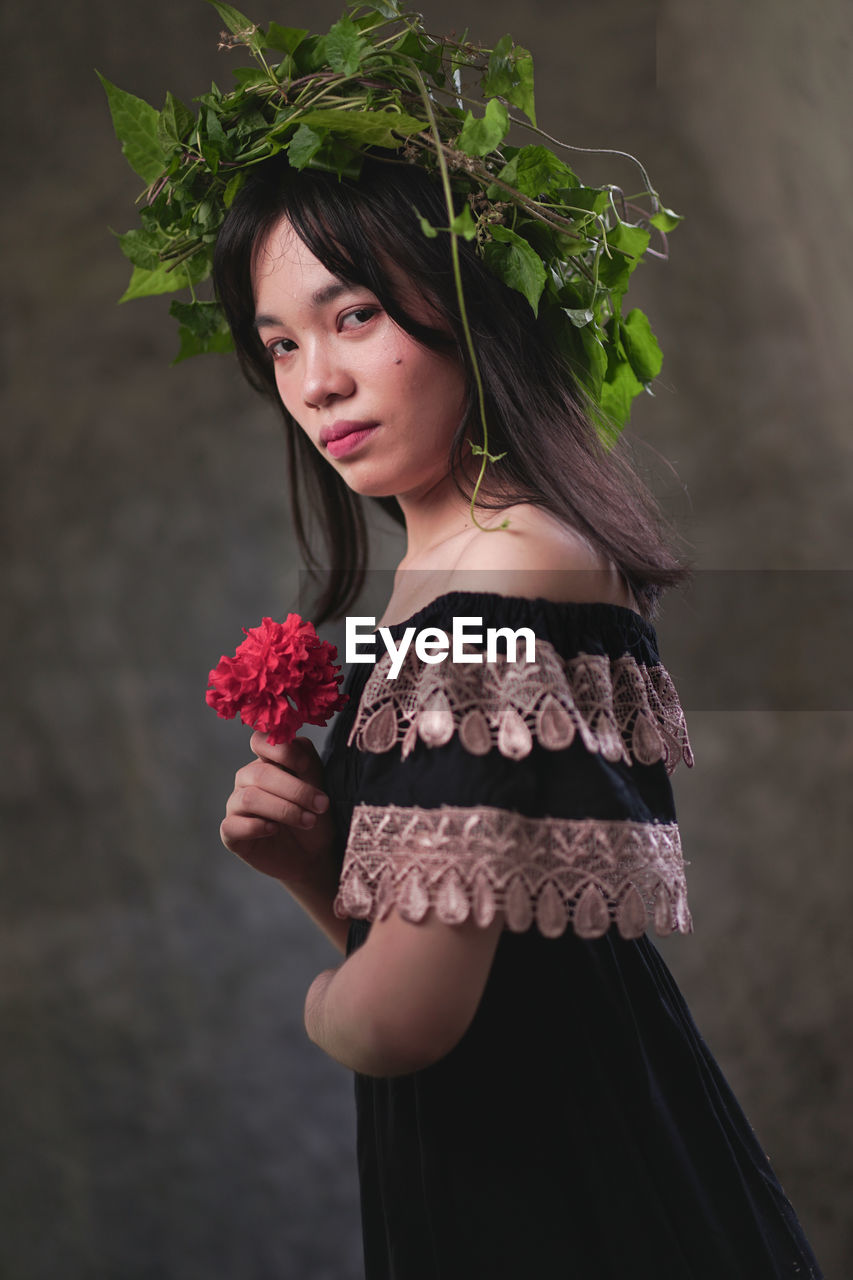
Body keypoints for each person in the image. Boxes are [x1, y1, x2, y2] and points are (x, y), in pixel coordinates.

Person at [212, 157, 823, 1278]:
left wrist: (319, 1004)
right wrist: (316, 864)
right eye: (283, 343)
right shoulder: (458, 569)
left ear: (471, 300)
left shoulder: (496, 583)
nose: (318, 382)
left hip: (558, 1181)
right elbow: (476, 942)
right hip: (544, 1149)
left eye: (353, 314)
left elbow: (402, 1021)